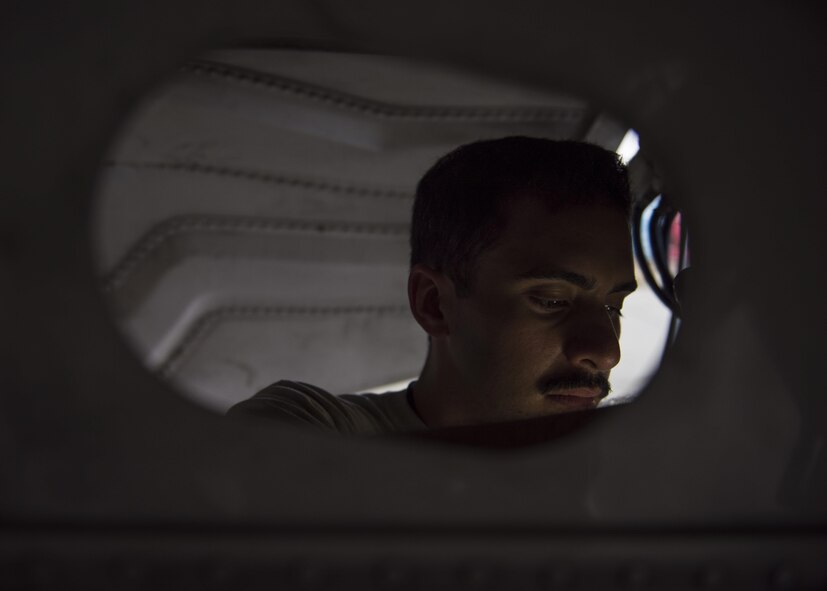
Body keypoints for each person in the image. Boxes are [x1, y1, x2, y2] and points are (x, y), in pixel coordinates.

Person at [227, 137, 637, 436]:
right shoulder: (315, 430)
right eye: (552, 301)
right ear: (434, 304)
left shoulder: (629, 463)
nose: (606, 353)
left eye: (613, 308)